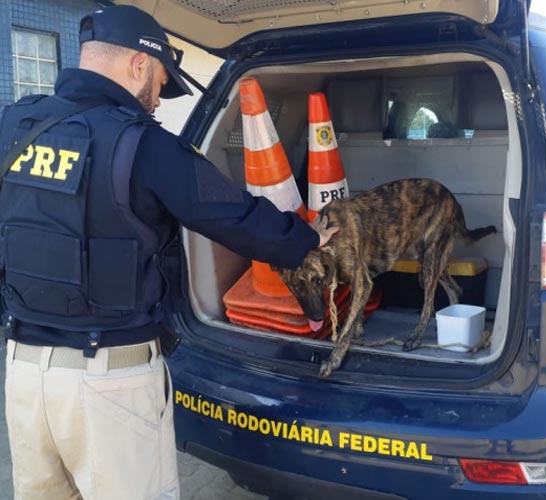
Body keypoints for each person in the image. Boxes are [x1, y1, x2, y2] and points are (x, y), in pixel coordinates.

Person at [0, 5, 337, 500]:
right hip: (109, 382)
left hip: (24, 377)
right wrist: (306, 237)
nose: (157, 100)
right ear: (139, 64)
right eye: (160, 82)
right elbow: (235, 217)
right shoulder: (141, 144)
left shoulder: (13, 125)